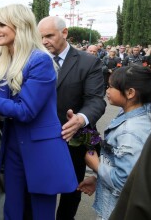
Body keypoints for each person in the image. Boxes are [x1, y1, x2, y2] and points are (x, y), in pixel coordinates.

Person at [0, 4, 77, 220]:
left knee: (40, 214)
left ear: (20, 26)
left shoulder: (40, 60)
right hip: (13, 146)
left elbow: (26, 111)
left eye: (2, 24)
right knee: (13, 210)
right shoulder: (4, 60)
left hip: (41, 149)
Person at [77, 65, 151, 220]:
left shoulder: (131, 131)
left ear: (130, 93)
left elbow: (124, 182)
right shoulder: (137, 112)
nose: (107, 90)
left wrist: (96, 165)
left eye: (111, 86)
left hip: (118, 209)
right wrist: (97, 178)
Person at [38, 16, 106, 220]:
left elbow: (96, 101)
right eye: (40, 37)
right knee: (40, 194)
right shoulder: (34, 59)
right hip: (39, 142)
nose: (44, 42)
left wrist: (81, 118)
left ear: (65, 33)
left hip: (73, 142)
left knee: (71, 194)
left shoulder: (89, 62)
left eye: (49, 36)